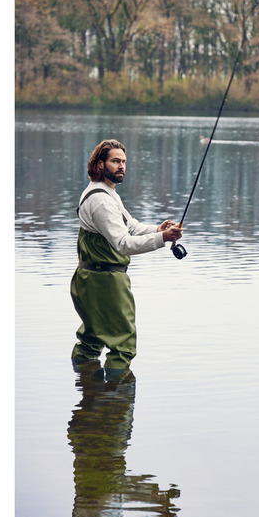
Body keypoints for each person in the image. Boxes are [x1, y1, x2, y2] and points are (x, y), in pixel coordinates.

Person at [70, 139, 183, 376]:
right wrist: (163, 238)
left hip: (89, 278)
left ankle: (86, 390)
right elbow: (123, 244)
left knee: (91, 339)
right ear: (100, 164)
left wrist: (157, 229)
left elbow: (129, 226)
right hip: (106, 282)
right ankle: (116, 397)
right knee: (123, 345)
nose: (121, 166)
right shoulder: (101, 200)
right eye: (115, 161)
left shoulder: (104, 192)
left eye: (123, 162)